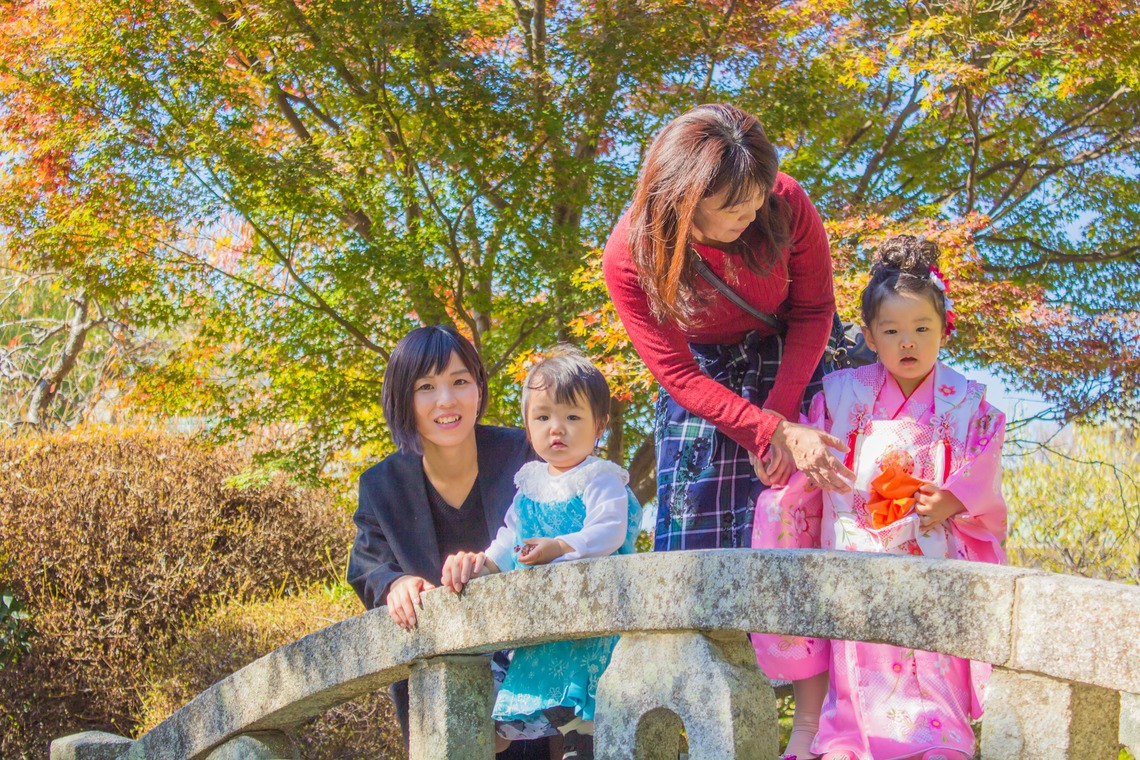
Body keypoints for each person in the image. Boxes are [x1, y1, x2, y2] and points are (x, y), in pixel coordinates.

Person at [602, 102, 851, 758]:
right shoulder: (629, 256)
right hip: (706, 381)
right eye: (732, 207)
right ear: (682, 203)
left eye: (756, 197)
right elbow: (677, 374)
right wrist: (758, 431)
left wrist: (782, 419)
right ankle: (696, 720)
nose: (750, 212)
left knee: (803, 527)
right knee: (694, 545)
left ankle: (817, 728)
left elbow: (815, 309)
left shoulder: (785, 202)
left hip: (789, 356)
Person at [753, 235, 1008, 760]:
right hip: (856, 554)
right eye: (891, 331)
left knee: (931, 656)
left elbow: (984, 459)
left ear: (945, 329)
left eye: (922, 329)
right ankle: (848, 740)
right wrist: (786, 459)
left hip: (930, 556)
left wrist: (954, 498)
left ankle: (940, 740)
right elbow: (810, 445)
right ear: (869, 335)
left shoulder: (966, 402)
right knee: (857, 660)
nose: (907, 342)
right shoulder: (842, 393)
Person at [346, 325, 556, 759]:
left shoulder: (526, 455)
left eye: (460, 381)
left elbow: (571, 523)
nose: (446, 400)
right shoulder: (381, 486)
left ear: (478, 388)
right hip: (438, 693)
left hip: (534, 672)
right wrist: (394, 584)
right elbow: (367, 564)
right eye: (426, 387)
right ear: (403, 399)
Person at [440, 347, 642, 760]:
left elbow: (609, 532)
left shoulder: (599, 478)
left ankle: (584, 741)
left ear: (599, 424)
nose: (557, 429)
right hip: (547, 619)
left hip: (594, 615)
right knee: (529, 698)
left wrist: (560, 546)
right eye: (543, 417)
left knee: (588, 698)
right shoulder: (529, 486)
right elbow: (508, 540)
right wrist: (484, 566)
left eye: (572, 417)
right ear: (528, 426)